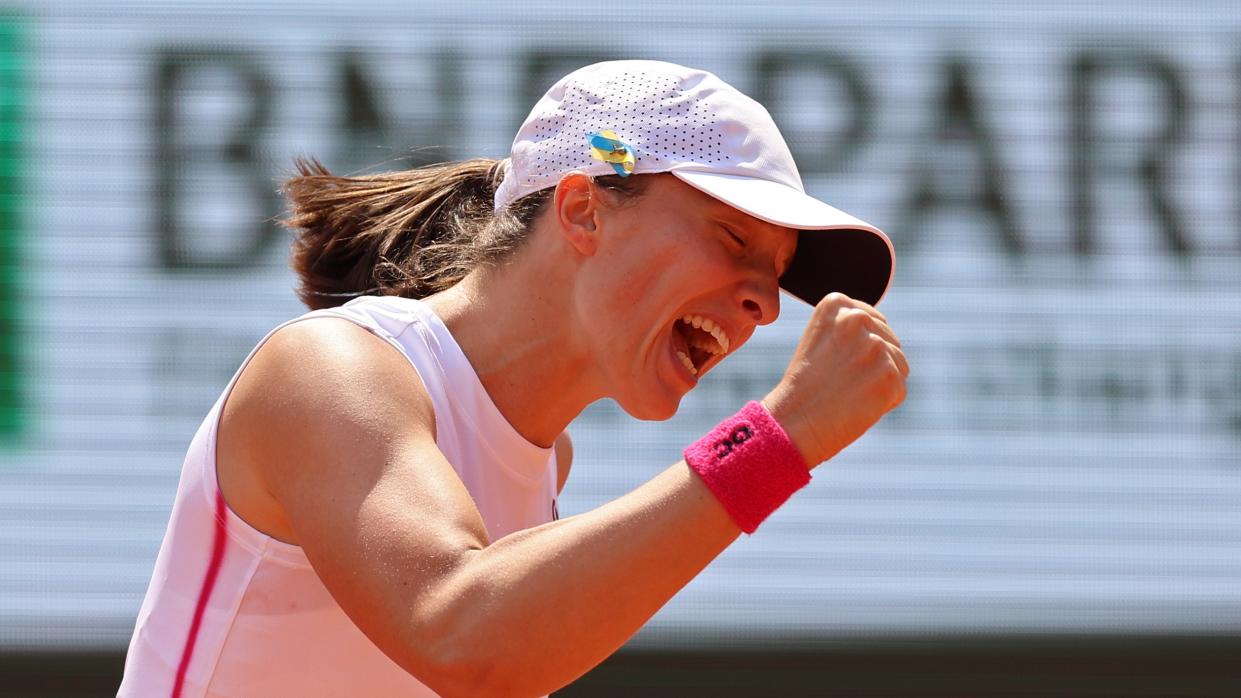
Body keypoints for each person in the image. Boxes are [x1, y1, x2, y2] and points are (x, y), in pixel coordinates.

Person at [119, 59, 907, 697]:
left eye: (774, 276)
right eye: (734, 237)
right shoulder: (330, 368)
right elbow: (465, 641)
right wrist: (775, 442)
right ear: (583, 209)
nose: (765, 304)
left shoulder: (546, 463)